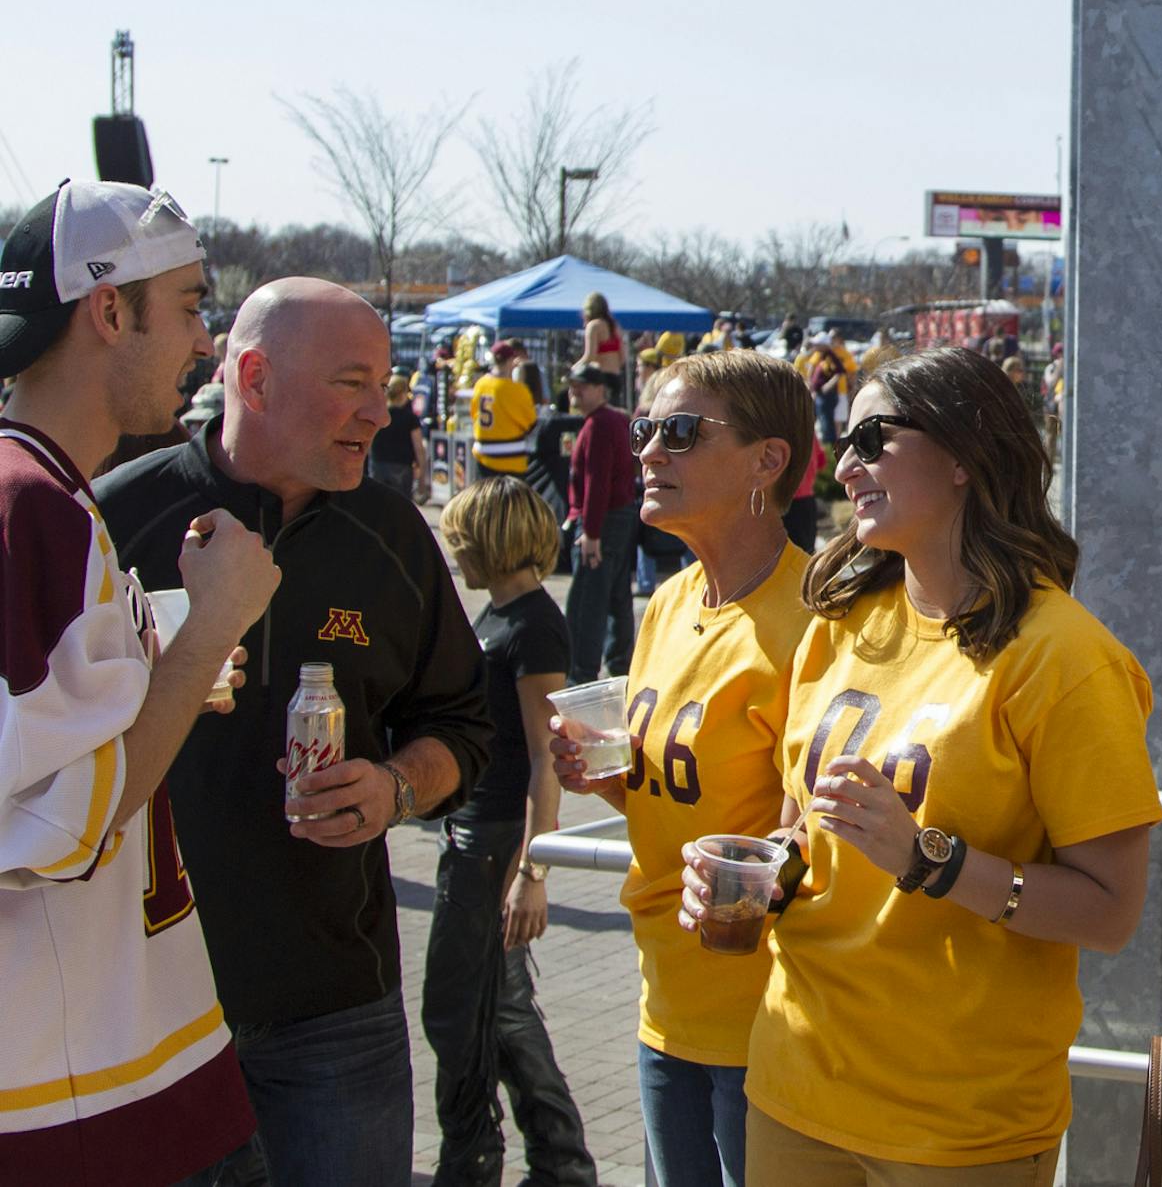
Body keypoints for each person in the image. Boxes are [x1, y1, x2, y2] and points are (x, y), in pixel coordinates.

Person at [691, 347, 1161, 1182]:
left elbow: (1109, 913)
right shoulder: (837, 623)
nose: (845, 467)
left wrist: (924, 859)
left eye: (873, 438)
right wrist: (757, 876)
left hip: (959, 1124)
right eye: (843, 445)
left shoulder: (1064, 659)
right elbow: (804, 827)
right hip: (795, 1083)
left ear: (963, 453)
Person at [97, 278, 493, 1187]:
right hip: (141, 1009)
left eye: (385, 384)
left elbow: (464, 727)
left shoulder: (392, 534)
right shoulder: (117, 517)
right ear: (255, 376)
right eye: (351, 383)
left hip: (334, 1008)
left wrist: (394, 788)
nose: (380, 414)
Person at [0, 181, 280, 1186]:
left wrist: (159, 673)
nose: (206, 341)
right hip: (79, 1093)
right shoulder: (29, 507)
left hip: (117, 1067)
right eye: (195, 304)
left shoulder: (47, 493)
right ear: (107, 309)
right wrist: (211, 627)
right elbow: (59, 822)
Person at [550, 350, 815, 1187]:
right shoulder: (667, 602)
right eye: (644, 431)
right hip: (662, 999)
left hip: (765, 1015)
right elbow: (676, 787)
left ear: (768, 462)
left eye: (680, 432)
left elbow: (815, 822)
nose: (649, 453)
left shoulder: (816, 619)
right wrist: (611, 779)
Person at [427, 478, 599, 1187]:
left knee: (466, 1011)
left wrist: (533, 869)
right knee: (493, 1008)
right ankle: (553, 1162)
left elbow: (543, 756)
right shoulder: (503, 615)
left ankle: (482, 1159)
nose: (453, 546)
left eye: (461, 537)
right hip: (475, 833)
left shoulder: (531, 623)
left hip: (494, 839)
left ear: (491, 543)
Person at [564, 362, 640, 683]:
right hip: (621, 515)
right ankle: (621, 663)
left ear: (599, 389)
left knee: (588, 599)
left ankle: (581, 671)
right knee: (617, 594)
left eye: (581, 386)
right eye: (572, 386)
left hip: (603, 519)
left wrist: (591, 532)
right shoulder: (617, 419)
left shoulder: (598, 424)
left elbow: (597, 482)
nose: (574, 392)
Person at [473, 339, 541, 480]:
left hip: (483, 454)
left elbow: (474, 414)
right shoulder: (518, 390)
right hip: (511, 458)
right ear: (511, 360)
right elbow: (531, 423)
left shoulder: (480, 384)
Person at [368, 371, 426, 501]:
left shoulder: (378, 415)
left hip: (379, 464)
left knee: (377, 506)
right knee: (400, 508)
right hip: (402, 467)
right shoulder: (410, 418)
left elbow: (368, 441)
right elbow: (419, 448)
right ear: (403, 393)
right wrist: (422, 475)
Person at [575, 292, 627, 404]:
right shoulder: (614, 326)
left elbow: (590, 356)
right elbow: (623, 358)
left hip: (600, 379)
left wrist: (574, 369)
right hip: (615, 378)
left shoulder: (593, 326)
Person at [783, 430, 825, 555]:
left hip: (785, 501)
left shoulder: (778, 432)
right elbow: (821, 462)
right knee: (807, 554)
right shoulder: (808, 432)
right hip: (807, 502)